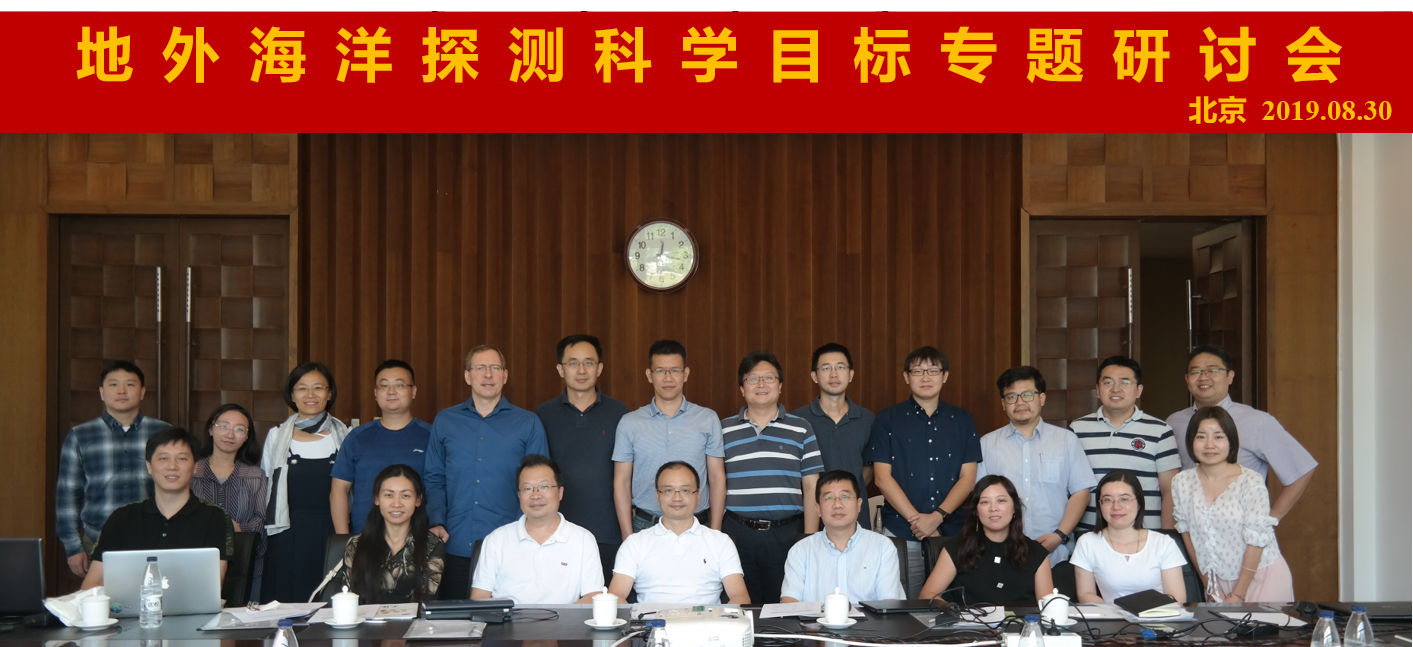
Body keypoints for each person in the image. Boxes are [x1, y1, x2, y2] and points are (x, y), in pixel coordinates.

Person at [425, 344, 549, 599]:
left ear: (505, 375)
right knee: (456, 620)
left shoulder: (528, 423)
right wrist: (437, 521)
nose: (488, 375)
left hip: (511, 546)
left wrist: (523, 533)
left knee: (507, 622)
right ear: (468, 376)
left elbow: (539, 484)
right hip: (455, 543)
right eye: (480, 368)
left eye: (495, 368)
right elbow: (434, 477)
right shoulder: (445, 421)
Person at [871, 346, 982, 599]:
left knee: (952, 606)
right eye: (917, 371)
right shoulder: (888, 418)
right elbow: (882, 478)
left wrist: (937, 517)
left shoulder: (962, 419)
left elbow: (968, 478)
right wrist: (919, 521)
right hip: (901, 532)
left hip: (953, 534)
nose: (925, 377)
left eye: (933, 371)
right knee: (903, 606)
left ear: (945, 376)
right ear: (906, 376)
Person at [1166, 345, 1318, 521]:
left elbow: (1301, 469)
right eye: (1196, 371)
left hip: (1238, 529)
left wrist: (1269, 519)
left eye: (1213, 370)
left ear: (1230, 376)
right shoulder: (1174, 422)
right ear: (1187, 379)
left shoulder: (1257, 422)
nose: (1203, 377)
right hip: (1187, 527)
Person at [721, 351, 824, 605]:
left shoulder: (801, 428)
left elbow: (811, 484)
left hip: (786, 533)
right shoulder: (723, 429)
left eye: (769, 378)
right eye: (753, 378)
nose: (761, 384)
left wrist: (809, 539)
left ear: (780, 385)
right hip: (736, 534)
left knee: (785, 608)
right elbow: (714, 481)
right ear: (742, 388)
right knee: (741, 609)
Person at [57, 360, 172, 579]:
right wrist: (72, 546)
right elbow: (67, 496)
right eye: (113, 384)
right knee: (103, 600)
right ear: (102, 392)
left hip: (156, 538)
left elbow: (179, 486)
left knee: (155, 598)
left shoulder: (163, 433)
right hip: (97, 539)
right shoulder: (81, 435)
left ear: (142, 392)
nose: (121, 390)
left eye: (130, 384)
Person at [82, 427, 235, 589]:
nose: (172, 466)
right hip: (126, 606)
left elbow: (212, 587)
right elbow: (92, 584)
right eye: (163, 458)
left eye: (182, 458)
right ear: (149, 466)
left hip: (191, 606)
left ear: (195, 466)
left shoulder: (215, 517)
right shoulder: (121, 518)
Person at [1172, 407, 1294, 604]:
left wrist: (1238, 594)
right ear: (1191, 441)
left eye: (1218, 437)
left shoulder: (1250, 481)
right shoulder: (1181, 482)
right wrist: (1209, 586)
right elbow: (1188, 535)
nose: (1209, 445)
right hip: (1216, 583)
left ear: (1231, 441)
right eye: (1201, 437)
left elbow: (1256, 541)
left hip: (1261, 576)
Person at [977, 367, 1096, 565]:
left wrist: (1059, 535)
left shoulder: (1066, 440)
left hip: (1056, 553)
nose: (1020, 402)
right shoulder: (987, 444)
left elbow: (1081, 492)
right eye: (1011, 396)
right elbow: (981, 499)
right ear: (1003, 404)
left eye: (1027, 395)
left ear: (1042, 398)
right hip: (1002, 553)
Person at [536, 335, 629, 586]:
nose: (581, 370)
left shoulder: (620, 413)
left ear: (599, 368)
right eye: (573, 363)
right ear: (560, 369)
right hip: (558, 531)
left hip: (608, 531)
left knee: (606, 601)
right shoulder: (543, 415)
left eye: (588, 362)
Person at [612, 340, 726, 538]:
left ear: (685, 374)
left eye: (675, 370)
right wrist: (628, 537)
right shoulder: (629, 423)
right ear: (649, 375)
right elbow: (622, 482)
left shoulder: (707, 419)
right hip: (645, 525)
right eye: (660, 371)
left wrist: (715, 533)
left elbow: (716, 478)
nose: (668, 378)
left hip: (697, 525)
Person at [261, 362, 350, 603]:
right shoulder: (276, 435)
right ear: (292, 395)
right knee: (287, 606)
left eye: (318, 388)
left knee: (331, 604)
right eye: (302, 388)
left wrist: (344, 539)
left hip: (332, 531)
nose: (311, 394)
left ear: (329, 393)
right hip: (287, 534)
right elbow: (267, 483)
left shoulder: (346, 435)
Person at [608, 462, 750, 605]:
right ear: (657, 496)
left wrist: (722, 618)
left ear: (698, 495)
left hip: (707, 618)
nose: (677, 498)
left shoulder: (720, 542)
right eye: (668, 490)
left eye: (685, 490)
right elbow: (615, 596)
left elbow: (740, 597)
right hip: (650, 618)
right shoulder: (635, 543)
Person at [471, 455, 603, 604]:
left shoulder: (583, 539)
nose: (535, 495)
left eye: (544, 487)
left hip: (563, 619)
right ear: (519, 495)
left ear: (560, 492)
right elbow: (479, 596)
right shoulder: (497, 539)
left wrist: (560, 618)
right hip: (507, 618)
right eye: (527, 488)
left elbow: (593, 596)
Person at [1071, 356, 1180, 532]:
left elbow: (1170, 491)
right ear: (1098, 390)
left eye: (1125, 382)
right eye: (1108, 382)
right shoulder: (1077, 430)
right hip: (1089, 535)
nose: (1116, 388)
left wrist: (1167, 536)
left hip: (1145, 536)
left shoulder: (1160, 431)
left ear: (1139, 390)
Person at [918, 475, 1053, 606]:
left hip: (1021, 622)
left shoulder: (1037, 552)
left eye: (1001, 501)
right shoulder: (956, 548)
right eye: (984, 502)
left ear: (1014, 508)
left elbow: (1048, 608)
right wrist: (960, 615)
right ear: (976, 511)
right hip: (967, 621)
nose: (993, 508)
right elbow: (927, 595)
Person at [332, 360, 432, 534]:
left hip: (418, 538)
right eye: (384, 385)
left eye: (399, 385)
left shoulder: (431, 436)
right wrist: (342, 540)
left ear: (413, 391)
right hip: (365, 538)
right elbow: (339, 489)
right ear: (376, 393)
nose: (391, 391)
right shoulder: (357, 437)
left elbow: (441, 488)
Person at [781, 470, 904, 603]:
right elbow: (790, 602)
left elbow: (888, 604)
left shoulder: (883, 547)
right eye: (829, 498)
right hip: (813, 618)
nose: (837, 505)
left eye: (845, 496)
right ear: (818, 509)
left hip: (868, 618)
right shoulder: (800, 551)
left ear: (859, 504)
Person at [790, 343, 876, 529]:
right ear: (814, 376)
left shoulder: (867, 419)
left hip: (855, 520)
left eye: (840, 367)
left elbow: (868, 468)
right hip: (810, 520)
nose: (834, 374)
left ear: (851, 374)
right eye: (826, 368)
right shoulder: (797, 420)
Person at [1071, 470, 1187, 604]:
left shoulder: (1163, 543)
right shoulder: (1087, 542)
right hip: (1109, 615)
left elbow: (1177, 598)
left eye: (1124, 499)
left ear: (1139, 503)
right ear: (1100, 505)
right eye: (1108, 500)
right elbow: (1085, 594)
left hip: (1158, 615)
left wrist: (1138, 612)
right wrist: (1116, 613)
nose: (1116, 506)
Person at [338, 464, 445, 603]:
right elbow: (349, 598)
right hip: (364, 617)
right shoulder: (356, 545)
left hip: (413, 617)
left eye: (405, 495)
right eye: (389, 495)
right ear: (377, 498)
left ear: (418, 500)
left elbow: (425, 600)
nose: (396, 503)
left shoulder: (432, 545)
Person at [191, 403, 267, 595]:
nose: (230, 434)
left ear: (246, 437)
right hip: (196, 564)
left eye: (239, 429)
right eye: (224, 426)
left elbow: (262, 520)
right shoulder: (191, 471)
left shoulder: (255, 475)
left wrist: (238, 528)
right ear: (211, 429)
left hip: (246, 565)